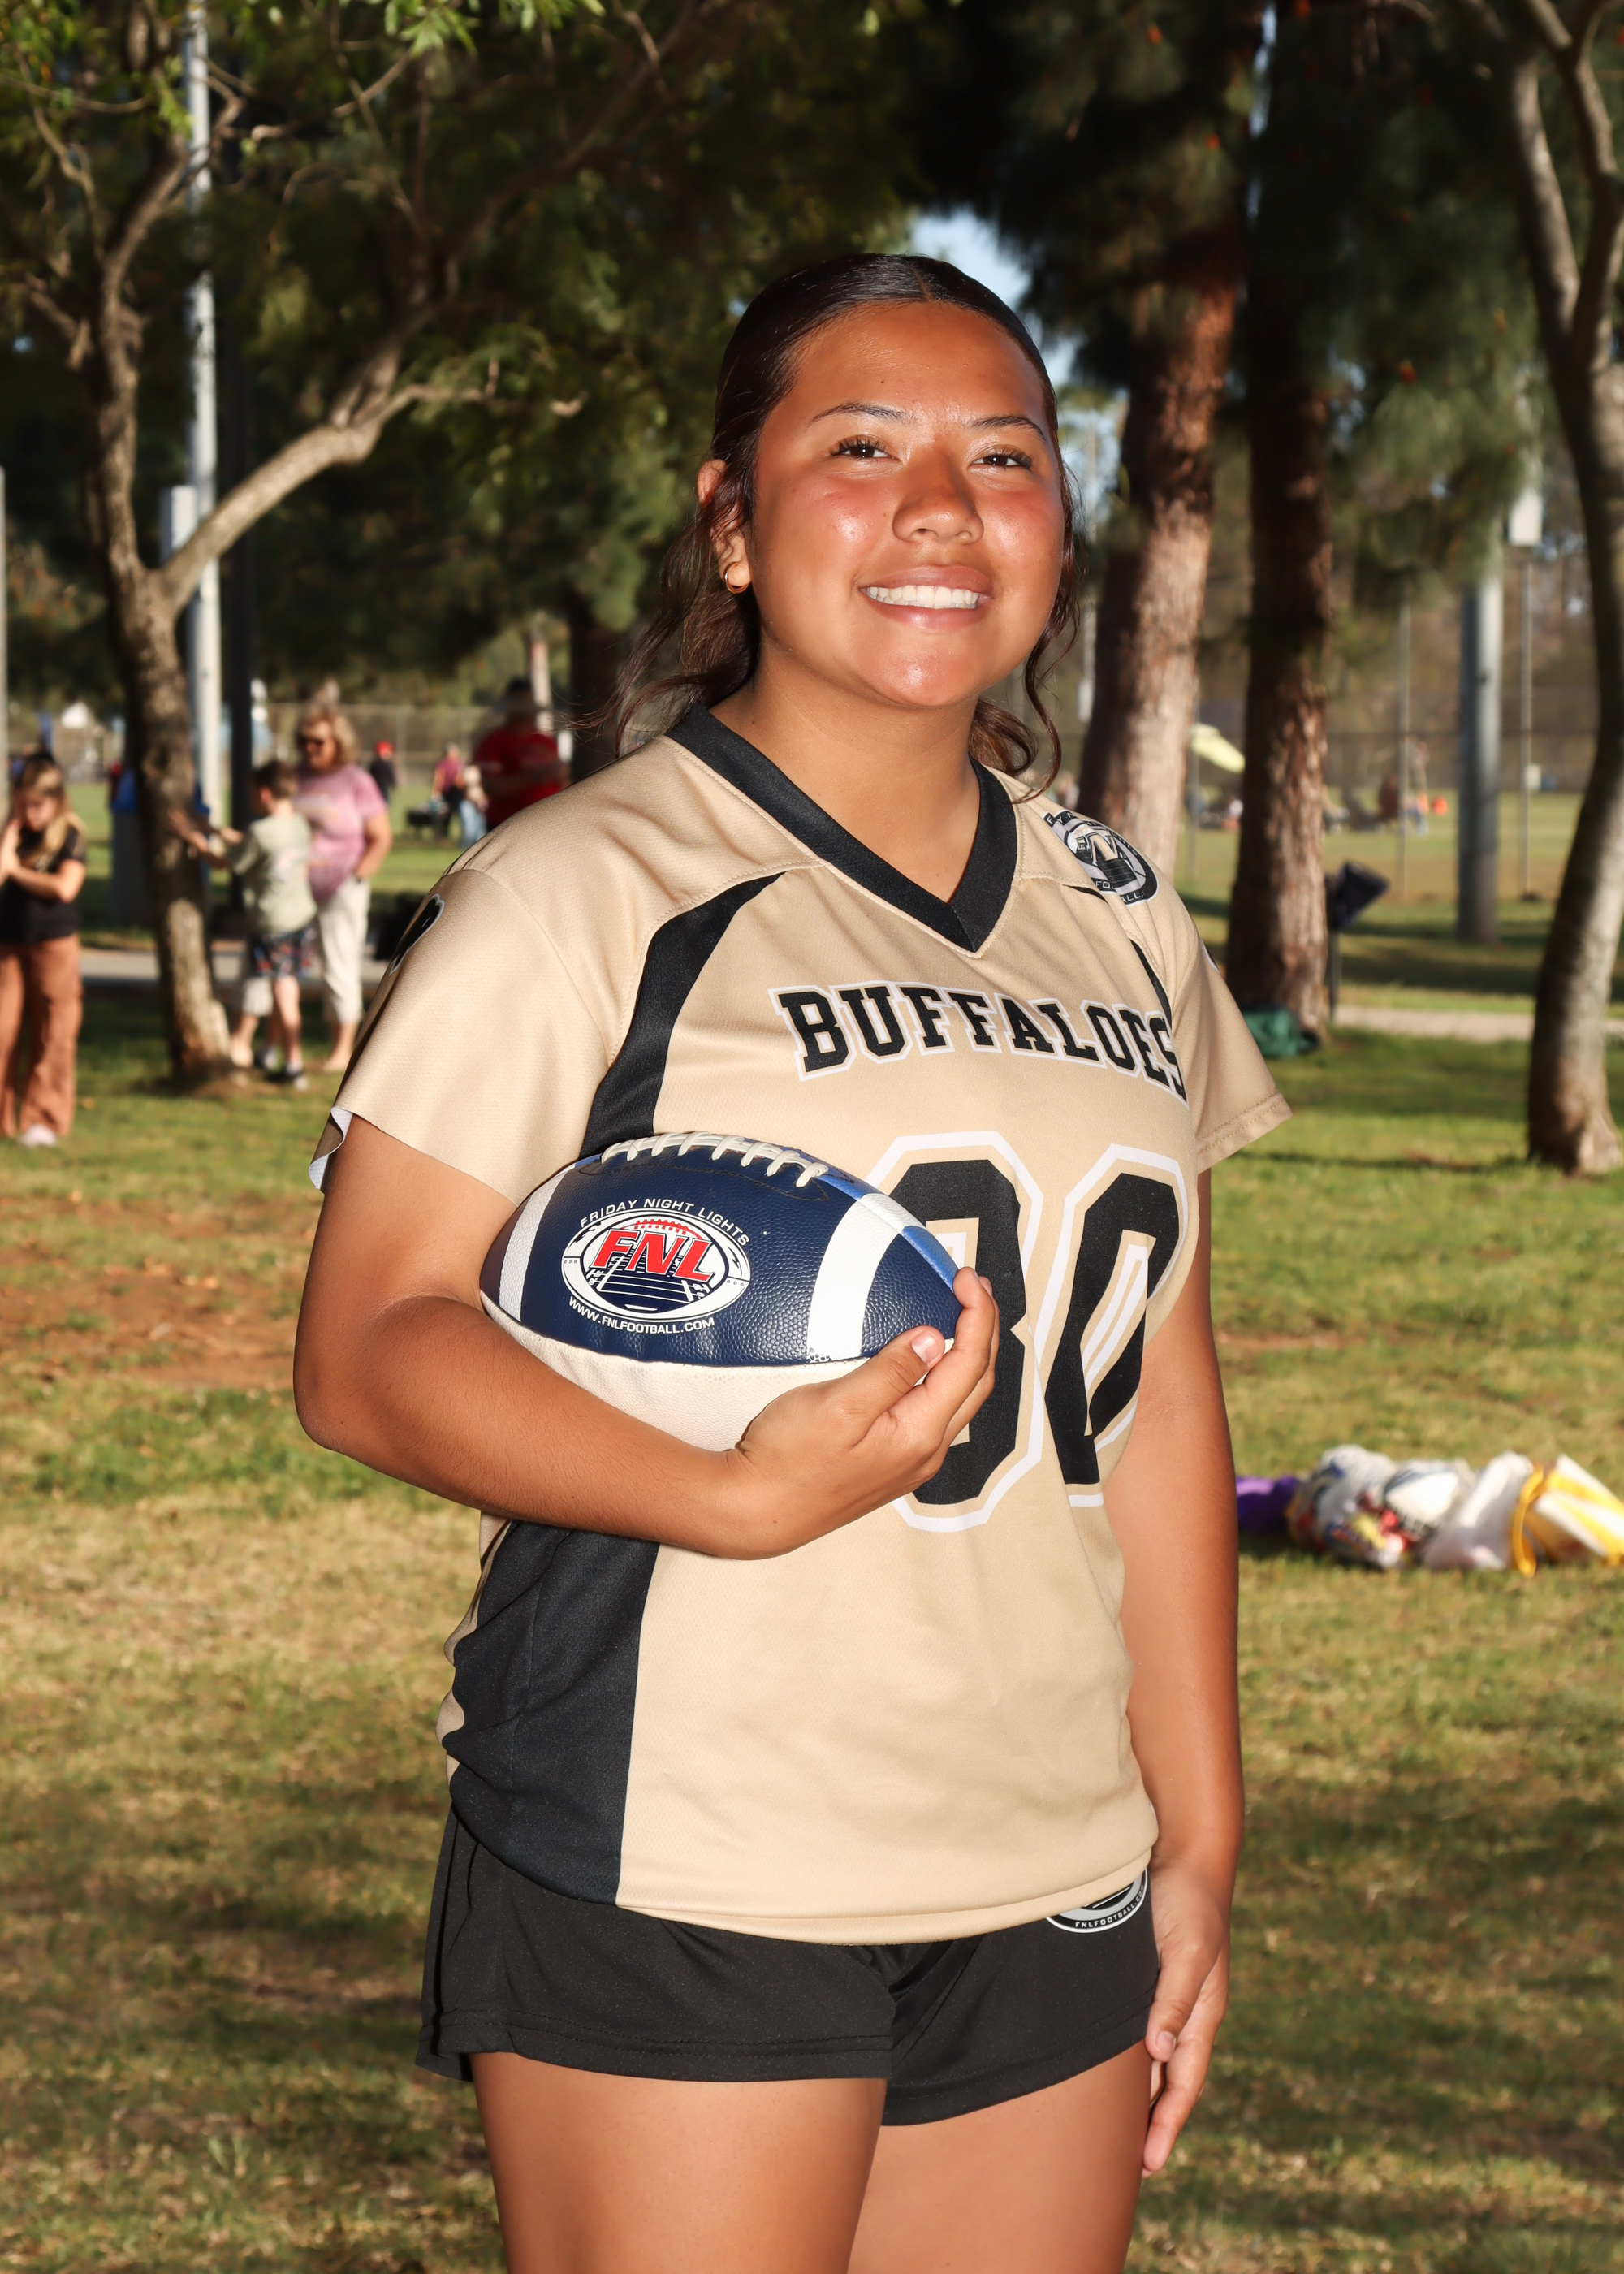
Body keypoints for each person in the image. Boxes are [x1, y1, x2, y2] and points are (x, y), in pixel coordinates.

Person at [295, 254, 1289, 2274]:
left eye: (1001, 459)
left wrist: (1193, 1829)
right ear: (731, 522)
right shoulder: (584, 886)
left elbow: (1157, 1391)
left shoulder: (1116, 911)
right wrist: (726, 1496)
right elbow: (370, 1344)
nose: (938, 510)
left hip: (1044, 1851)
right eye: (859, 449)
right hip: (689, 1837)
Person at [171, 758, 316, 1088]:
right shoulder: (298, 824)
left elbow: (222, 861)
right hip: (301, 918)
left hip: (272, 925)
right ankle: (270, 1054)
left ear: (264, 794)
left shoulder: (260, 832)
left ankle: (294, 1065)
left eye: (251, 795)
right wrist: (213, 830)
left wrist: (193, 838)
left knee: (284, 992)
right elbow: (255, 844)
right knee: (286, 987)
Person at [292, 699, 392, 1074]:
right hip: (293, 890)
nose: (310, 748)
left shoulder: (356, 781)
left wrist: (358, 876)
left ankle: (342, 1050)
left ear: (338, 742)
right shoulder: (293, 777)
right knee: (282, 966)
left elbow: (381, 836)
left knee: (339, 965)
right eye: (303, 740)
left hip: (341, 886)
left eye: (318, 741)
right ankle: (280, 1046)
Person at [0, 753, 87, 1148]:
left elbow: (65, 888)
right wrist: (8, 834)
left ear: (55, 800)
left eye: (36, 805)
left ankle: (43, 1120)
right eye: (21, 804)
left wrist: (16, 871)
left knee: (54, 1031)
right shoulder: (15, 833)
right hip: (9, 944)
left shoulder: (70, 835)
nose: (29, 813)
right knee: (4, 1029)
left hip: (54, 945)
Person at [470, 677, 565, 830]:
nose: (526, 715)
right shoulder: (494, 741)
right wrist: (533, 778)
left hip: (547, 823)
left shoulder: (545, 741)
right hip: (508, 824)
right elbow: (490, 787)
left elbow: (561, 780)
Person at [457, 760, 489, 845]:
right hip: (468, 801)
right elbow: (459, 782)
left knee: (480, 827)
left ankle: (480, 846)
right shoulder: (466, 770)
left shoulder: (481, 770)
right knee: (469, 828)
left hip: (480, 802)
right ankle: (467, 846)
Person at [369, 739, 400, 803]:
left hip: (373, 791)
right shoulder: (385, 764)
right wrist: (394, 784)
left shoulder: (373, 764)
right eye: (388, 751)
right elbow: (391, 777)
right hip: (382, 791)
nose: (390, 753)